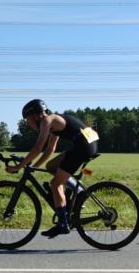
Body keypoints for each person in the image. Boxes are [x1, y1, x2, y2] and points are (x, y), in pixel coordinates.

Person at [7, 99, 99, 238]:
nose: (28, 124)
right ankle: (75, 193)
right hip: (86, 144)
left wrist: (19, 166)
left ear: (35, 116)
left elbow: (38, 148)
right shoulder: (53, 121)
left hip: (83, 147)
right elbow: (50, 149)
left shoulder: (47, 121)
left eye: (27, 120)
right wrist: (33, 166)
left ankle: (63, 223)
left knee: (55, 184)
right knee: (51, 166)